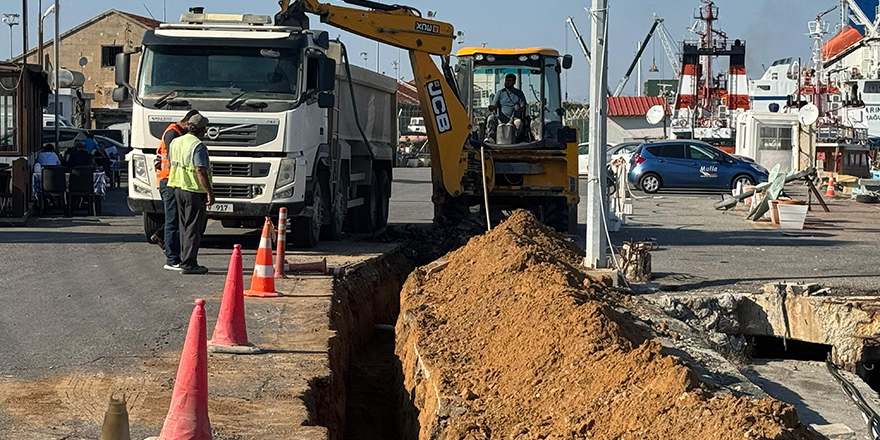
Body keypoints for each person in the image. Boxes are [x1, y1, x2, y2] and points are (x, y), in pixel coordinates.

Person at [168, 114, 214, 275]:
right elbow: (200, 170)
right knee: (194, 228)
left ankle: (183, 259)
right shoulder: (197, 146)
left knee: (184, 227)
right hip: (194, 190)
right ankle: (189, 263)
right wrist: (210, 192)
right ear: (202, 130)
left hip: (178, 188)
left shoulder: (176, 142)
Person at [153, 110, 200, 271]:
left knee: (175, 219)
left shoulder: (175, 132)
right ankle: (172, 259)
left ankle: (161, 236)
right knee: (173, 220)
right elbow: (173, 158)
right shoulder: (173, 134)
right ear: (186, 123)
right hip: (168, 180)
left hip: (171, 180)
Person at [486, 74, 528, 142]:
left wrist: (519, 108)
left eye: (509, 81)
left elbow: (523, 107)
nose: (507, 82)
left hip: (514, 119)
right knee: (491, 118)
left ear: (514, 82)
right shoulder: (500, 93)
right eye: (506, 81)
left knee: (519, 123)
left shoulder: (519, 93)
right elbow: (494, 105)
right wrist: (491, 107)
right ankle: (491, 138)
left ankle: (516, 139)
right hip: (501, 119)